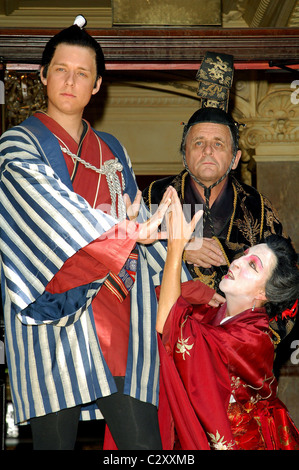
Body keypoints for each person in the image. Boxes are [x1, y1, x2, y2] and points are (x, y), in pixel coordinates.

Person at [0, 16, 186, 450]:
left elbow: (139, 224)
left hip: (115, 312)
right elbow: (48, 215)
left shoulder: (112, 149)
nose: (70, 81)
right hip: (49, 316)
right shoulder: (16, 144)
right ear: (43, 75)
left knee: (144, 445)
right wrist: (126, 232)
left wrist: (186, 265)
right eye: (61, 69)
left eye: (82, 73)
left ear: (97, 84)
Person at [155, 188, 299, 450]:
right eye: (243, 256)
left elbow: (170, 325)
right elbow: (168, 306)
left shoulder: (254, 337)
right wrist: (198, 292)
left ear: (263, 293)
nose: (236, 264)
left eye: (252, 265)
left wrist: (176, 247)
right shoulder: (212, 312)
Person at [143, 106, 285, 294]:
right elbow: (128, 255)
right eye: (198, 143)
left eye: (218, 144)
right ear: (185, 154)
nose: (208, 150)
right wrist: (180, 250)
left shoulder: (257, 206)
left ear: (235, 159)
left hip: (236, 318)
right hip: (172, 315)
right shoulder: (156, 195)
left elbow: (281, 268)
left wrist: (224, 250)